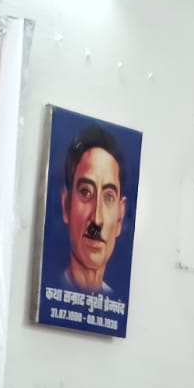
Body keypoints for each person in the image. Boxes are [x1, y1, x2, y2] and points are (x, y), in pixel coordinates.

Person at [59, 124, 126, 295]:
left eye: (109, 197)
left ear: (120, 217)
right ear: (66, 205)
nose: (97, 219)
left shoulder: (115, 299)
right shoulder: (54, 288)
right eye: (85, 192)